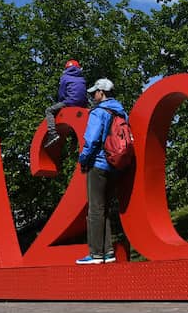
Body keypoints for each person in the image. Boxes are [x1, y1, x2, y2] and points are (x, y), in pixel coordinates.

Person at [76, 77, 127, 265]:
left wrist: (83, 158)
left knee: (95, 210)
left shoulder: (98, 112)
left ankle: (96, 254)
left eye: (94, 93)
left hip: (98, 164)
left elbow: (92, 139)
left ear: (101, 92)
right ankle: (108, 251)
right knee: (104, 209)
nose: (92, 96)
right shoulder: (121, 112)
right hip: (115, 165)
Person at [42, 59, 87, 149]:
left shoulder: (64, 77)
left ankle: (52, 134)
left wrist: (61, 101)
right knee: (76, 122)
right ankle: (75, 139)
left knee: (49, 111)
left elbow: (62, 93)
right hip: (82, 104)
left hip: (70, 102)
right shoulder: (82, 79)